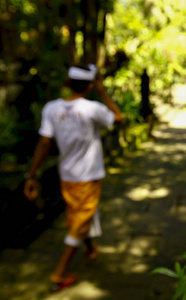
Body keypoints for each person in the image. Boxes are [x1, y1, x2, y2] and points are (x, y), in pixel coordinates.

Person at [23, 64, 122, 291]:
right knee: (79, 220)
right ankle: (59, 274)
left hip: (67, 175)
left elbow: (45, 142)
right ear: (90, 85)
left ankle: (89, 247)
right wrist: (103, 92)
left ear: (68, 83)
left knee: (78, 214)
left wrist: (31, 175)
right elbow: (118, 117)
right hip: (88, 176)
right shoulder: (92, 109)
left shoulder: (51, 108)